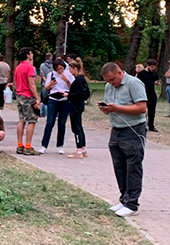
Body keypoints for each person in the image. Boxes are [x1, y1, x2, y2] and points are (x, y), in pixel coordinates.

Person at [99, 62, 147, 218]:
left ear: (120, 73)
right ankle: (124, 199)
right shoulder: (109, 86)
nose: (111, 83)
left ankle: (132, 204)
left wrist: (117, 108)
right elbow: (111, 107)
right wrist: (107, 109)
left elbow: (141, 108)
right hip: (116, 129)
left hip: (133, 129)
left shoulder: (134, 83)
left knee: (133, 166)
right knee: (119, 166)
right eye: (108, 80)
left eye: (112, 79)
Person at [39, 59, 74, 154]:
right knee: (50, 123)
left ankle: (60, 145)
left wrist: (66, 80)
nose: (60, 71)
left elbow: (73, 88)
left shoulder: (69, 75)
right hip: (53, 99)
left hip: (64, 100)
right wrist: (51, 84)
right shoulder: (51, 75)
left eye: (61, 68)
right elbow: (46, 87)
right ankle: (44, 145)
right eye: (58, 69)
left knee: (62, 124)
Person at [14, 48, 41, 155]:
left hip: (19, 95)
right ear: (27, 55)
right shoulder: (29, 67)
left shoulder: (18, 67)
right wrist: (37, 97)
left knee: (21, 120)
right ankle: (28, 146)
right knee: (32, 120)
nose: (32, 54)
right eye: (31, 53)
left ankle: (20, 145)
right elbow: (31, 83)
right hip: (28, 96)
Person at [66, 60, 89, 159]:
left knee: (76, 128)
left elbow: (79, 93)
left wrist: (68, 95)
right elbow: (87, 93)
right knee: (79, 126)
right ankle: (83, 148)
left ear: (74, 68)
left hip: (75, 106)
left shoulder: (78, 80)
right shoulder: (82, 79)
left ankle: (79, 150)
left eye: (70, 69)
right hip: (79, 105)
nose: (69, 71)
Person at [137, 59, 159, 132]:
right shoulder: (141, 74)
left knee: (152, 111)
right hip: (143, 94)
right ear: (148, 66)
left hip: (152, 94)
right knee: (142, 110)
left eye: (154, 67)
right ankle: (141, 125)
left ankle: (151, 125)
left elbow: (156, 81)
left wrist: (157, 83)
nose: (153, 68)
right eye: (152, 67)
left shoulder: (155, 74)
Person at [39, 53, 53, 118]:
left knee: (45, 99)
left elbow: (42, 76)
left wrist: (47, 82)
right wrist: (51, 83)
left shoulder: (42, 65)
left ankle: (43, 113)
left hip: (44, 84)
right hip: (52, 84)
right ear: (51, 57)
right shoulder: (54, 65)